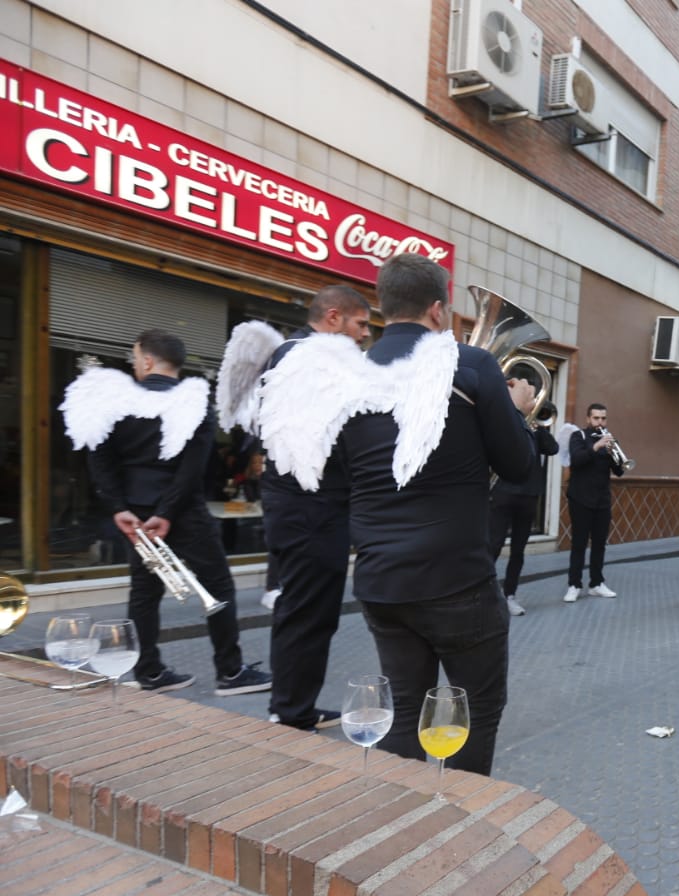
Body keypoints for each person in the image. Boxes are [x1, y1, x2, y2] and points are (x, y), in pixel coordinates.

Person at [257, 253, 537, 776]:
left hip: (381, 581)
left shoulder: (345, 378)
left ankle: (403, 821)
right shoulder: (471, 366)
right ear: (438, 311)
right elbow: (519, 466)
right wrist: (518, 414)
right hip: (459, 580)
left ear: (383, 308)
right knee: (474, 712)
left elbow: (334, 479)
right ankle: (462, 818)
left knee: (406, 712)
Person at [61, 329, 271, 696]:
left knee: (144, 591)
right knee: (217, 584)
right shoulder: (193, 401)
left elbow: (100, 460)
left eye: (134, 356)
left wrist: (119, 509)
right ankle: (230, 671)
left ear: (146, 360)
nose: (131, 363)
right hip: (182, 509)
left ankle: (149, 671)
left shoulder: (114, 402)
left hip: (136, 513)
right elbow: (194, 469)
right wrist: (168, 512)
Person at [257, 284, 371, 730]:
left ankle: (293, 705)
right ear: (333, 317)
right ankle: (289, 713)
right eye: (361, 324)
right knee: (307, 612)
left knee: (309, 612)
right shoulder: (309, 356)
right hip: (311, 506)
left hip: (306, 505)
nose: (364, 335)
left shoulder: (298, 355)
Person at [489, 401, 559, 616]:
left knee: (518, 550)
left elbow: (553, 448)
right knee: (493, 545)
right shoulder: (510, 423)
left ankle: (510, 595)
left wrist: (542, 428)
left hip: (528, 495)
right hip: (504, 492)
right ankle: (485, 595)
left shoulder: (536, 430)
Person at [563, 402, 623, 602]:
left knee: (599, 544)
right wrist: (596, 447)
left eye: (603, 418)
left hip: (602, 500)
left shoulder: (609, 440)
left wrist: (616, 455)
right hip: (580, 498)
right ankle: (574, 584)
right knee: (579, 543)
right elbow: (577, 460)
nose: (600, 422)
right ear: (588, 419)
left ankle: (596, 583)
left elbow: (619, 471)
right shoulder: (578, 437)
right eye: (596, 418)